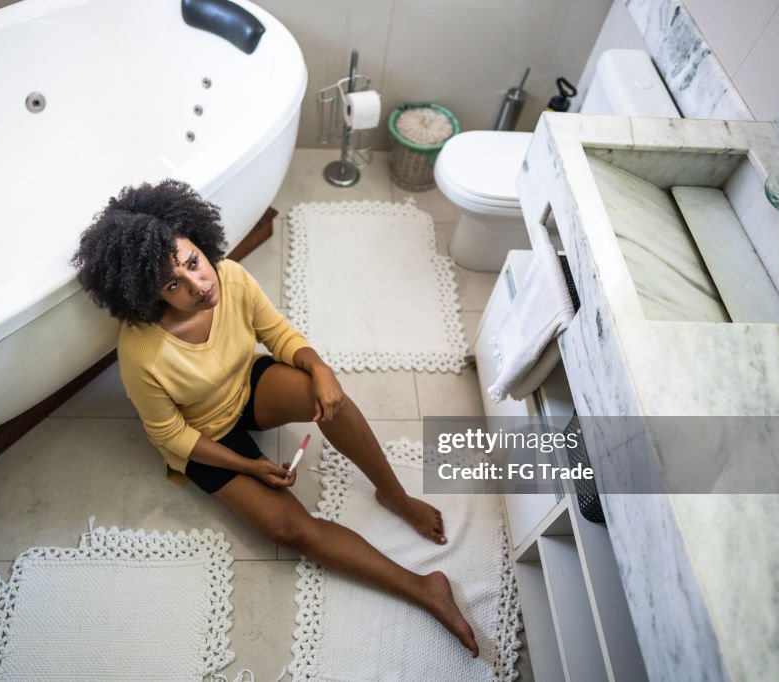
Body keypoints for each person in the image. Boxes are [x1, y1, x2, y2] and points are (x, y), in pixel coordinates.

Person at [71, 179, 479, 658]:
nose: (198, 285)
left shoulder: (233, 279)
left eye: (193, 263)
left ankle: (393, 493)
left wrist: (320, 368)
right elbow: (170, 435)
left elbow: (279, 334)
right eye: (171, 285)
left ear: (200, 244)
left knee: (325, 395)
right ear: (149, 294)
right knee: (289, 530)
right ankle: (424, 588)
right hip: (204, 438)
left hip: (248, 388)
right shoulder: (141, 351)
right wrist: (249, 466)